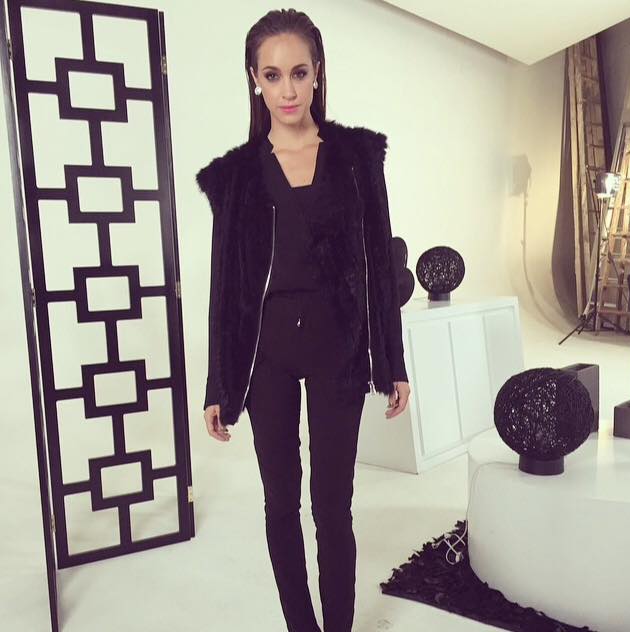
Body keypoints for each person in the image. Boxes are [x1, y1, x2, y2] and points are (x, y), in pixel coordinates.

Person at [197, 9, 410, 631]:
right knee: (281, 504)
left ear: (317, 72)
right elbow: (225, 285)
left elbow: (378, 265)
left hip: (339, 351)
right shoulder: (235, 176)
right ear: (254, 81)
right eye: (272, 75)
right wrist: (218, 383)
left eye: (298, 72)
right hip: (266, 358)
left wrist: (391, 362)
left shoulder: (357, 158)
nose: (287, 89)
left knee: (332, 507)